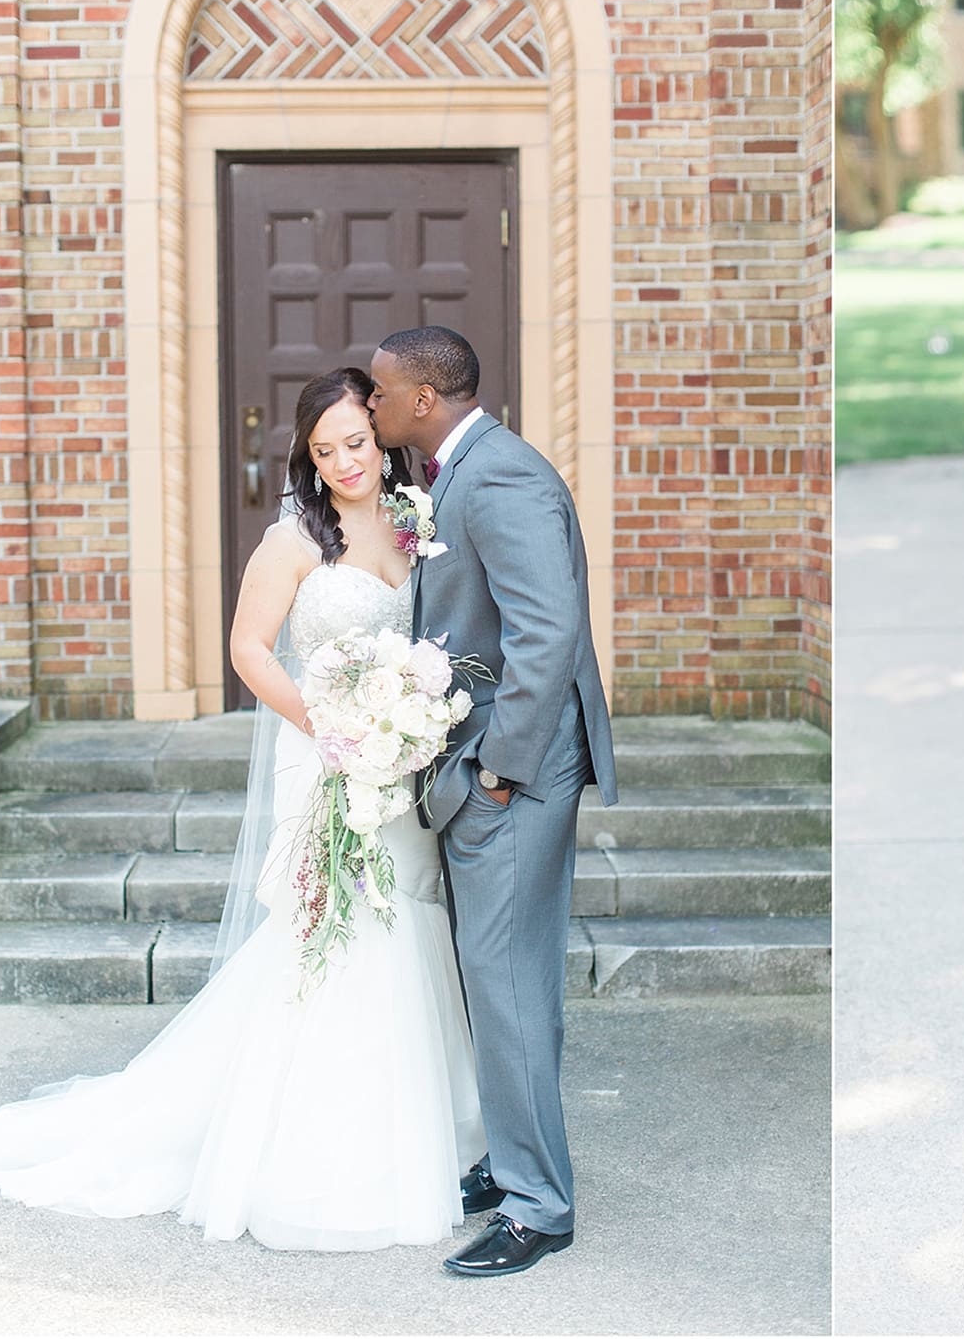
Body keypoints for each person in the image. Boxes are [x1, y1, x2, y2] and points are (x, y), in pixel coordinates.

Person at [0, 369, 485, 1250]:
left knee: (411, 914)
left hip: (405, 756)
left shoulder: (413, 515)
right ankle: (322, 1151)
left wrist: (409, 716)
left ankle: (441, 1128)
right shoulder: (292, 539)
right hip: (323, 752)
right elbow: (247, 649)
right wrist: (331, 725)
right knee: (337, 927)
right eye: (325, 450)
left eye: (357, 441)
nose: (346, 462)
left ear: (380, 434)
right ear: (306, 458)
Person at [366, 325, 618, 1279]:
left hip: (514, 775)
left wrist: (498, 771)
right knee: (497, 983)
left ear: (424, 399)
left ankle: (538, 1208)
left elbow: (547, 633)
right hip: (490, 771)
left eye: (384, 395)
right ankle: (512, 1161)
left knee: (508, 988)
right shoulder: (461, 470)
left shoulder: (501, 477)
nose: (376, 408)